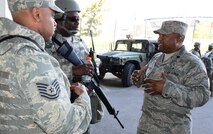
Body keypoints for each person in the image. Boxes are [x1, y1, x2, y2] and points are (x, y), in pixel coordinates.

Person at [0, 0, 92, 133]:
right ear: (36, 14)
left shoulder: (6, 45)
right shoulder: (32, 59)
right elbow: (63, 126)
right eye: (52, 16)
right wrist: (84, 98)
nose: (55, 22)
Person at [132, 20, 210, 134]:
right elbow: (146, 80)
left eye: (164, 36)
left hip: (173, 130)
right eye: (159, 35)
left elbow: (202, 96)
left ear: (179, 39)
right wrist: (138, 78)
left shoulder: (193, 63)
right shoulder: (157, 57)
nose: (159, 39)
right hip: (145, 127)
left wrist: (167, 88)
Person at [45, 0, 103, 133]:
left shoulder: (80, 41)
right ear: (59, 19)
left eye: (78, 19)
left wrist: (92, 69)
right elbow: (45, 75)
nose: (77, 22)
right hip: (61, 102)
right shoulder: (47, 43)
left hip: (82, 98)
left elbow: (88, 62)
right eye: (73, 19)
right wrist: (72, 72)